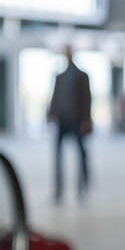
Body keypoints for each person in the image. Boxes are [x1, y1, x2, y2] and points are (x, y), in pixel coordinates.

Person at [47, 46, 93, 204]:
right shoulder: (60, 76)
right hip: (62, 120)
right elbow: (55, 96)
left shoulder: (82, 76)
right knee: (58, 157)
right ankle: (58, 191)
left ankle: (81, 189)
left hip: (77, 121)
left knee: (81, 156)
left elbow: (87, 99)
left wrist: (86, 120)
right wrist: (51, 116)